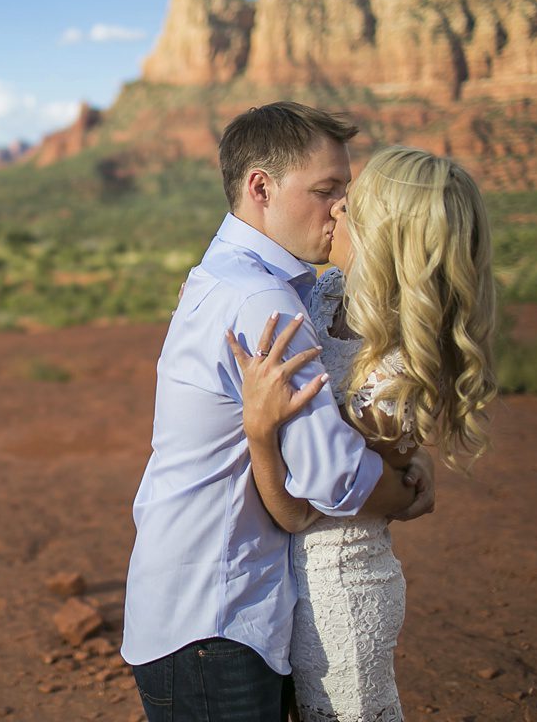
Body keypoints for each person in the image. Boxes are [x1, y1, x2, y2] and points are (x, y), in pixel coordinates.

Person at [121, 103, 435, 721]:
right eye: (326, 190)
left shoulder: (241, 278)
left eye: (346, 191)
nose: (342, 209)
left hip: (207, 604)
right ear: (260, 187)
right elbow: (332, 477)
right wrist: (407, 495)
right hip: (216, 614)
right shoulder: (258, 295)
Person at [226, 145, 498, 721]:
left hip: (339, 594)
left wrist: (259, 431)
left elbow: (298, 512)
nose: (334, 210)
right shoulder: (328, 296)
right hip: (289, 588)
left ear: (382, 238)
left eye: (350, 206)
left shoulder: (391, 372)